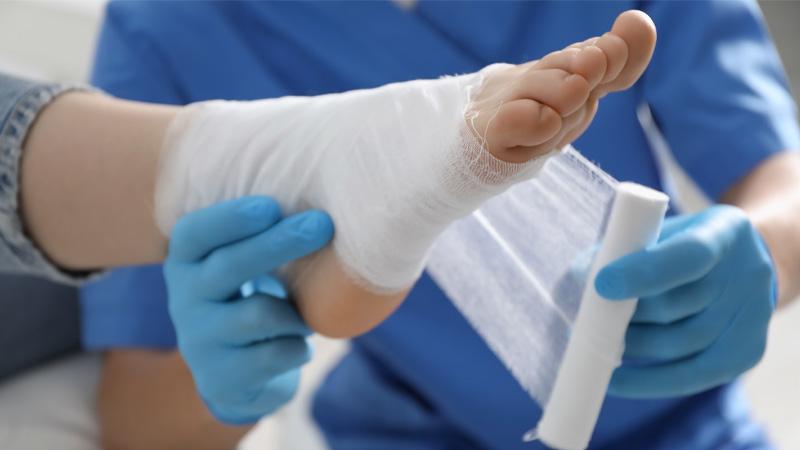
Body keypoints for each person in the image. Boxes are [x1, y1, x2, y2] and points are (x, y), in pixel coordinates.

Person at [83, 1, 799, 449]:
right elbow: (135, 423)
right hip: (409, 428)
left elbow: (782, 175)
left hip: (685, 428)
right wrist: (227, 378)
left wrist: (765, 248)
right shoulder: (170, 28)